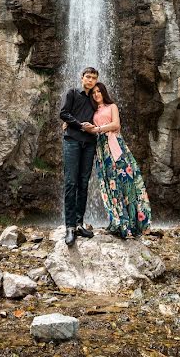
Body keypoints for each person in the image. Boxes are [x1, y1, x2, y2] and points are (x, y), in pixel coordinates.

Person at [89, 82, 151, 238]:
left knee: (126, 182)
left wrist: (98, 129)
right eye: (94, 92)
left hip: (115, 146)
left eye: (99, 91)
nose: (97, 94)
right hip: (101, 150)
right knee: (110, 185)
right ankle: (117, 221)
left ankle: (133, 223)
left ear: (104, 92)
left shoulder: (112, 106)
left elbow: (116, 124)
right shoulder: (93, 110)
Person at [59, 67, 100, 246]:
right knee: (71, 182)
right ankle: (69, 227)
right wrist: (78, 125)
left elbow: (104, 115)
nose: (90, 80)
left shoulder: (96, 98)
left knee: (83, 183)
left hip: (89, 144)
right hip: (72, 141)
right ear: (81, 77)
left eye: (93, 78)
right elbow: (64, 113)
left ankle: (79, 223)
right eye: (87, 77)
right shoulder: (73, 93)